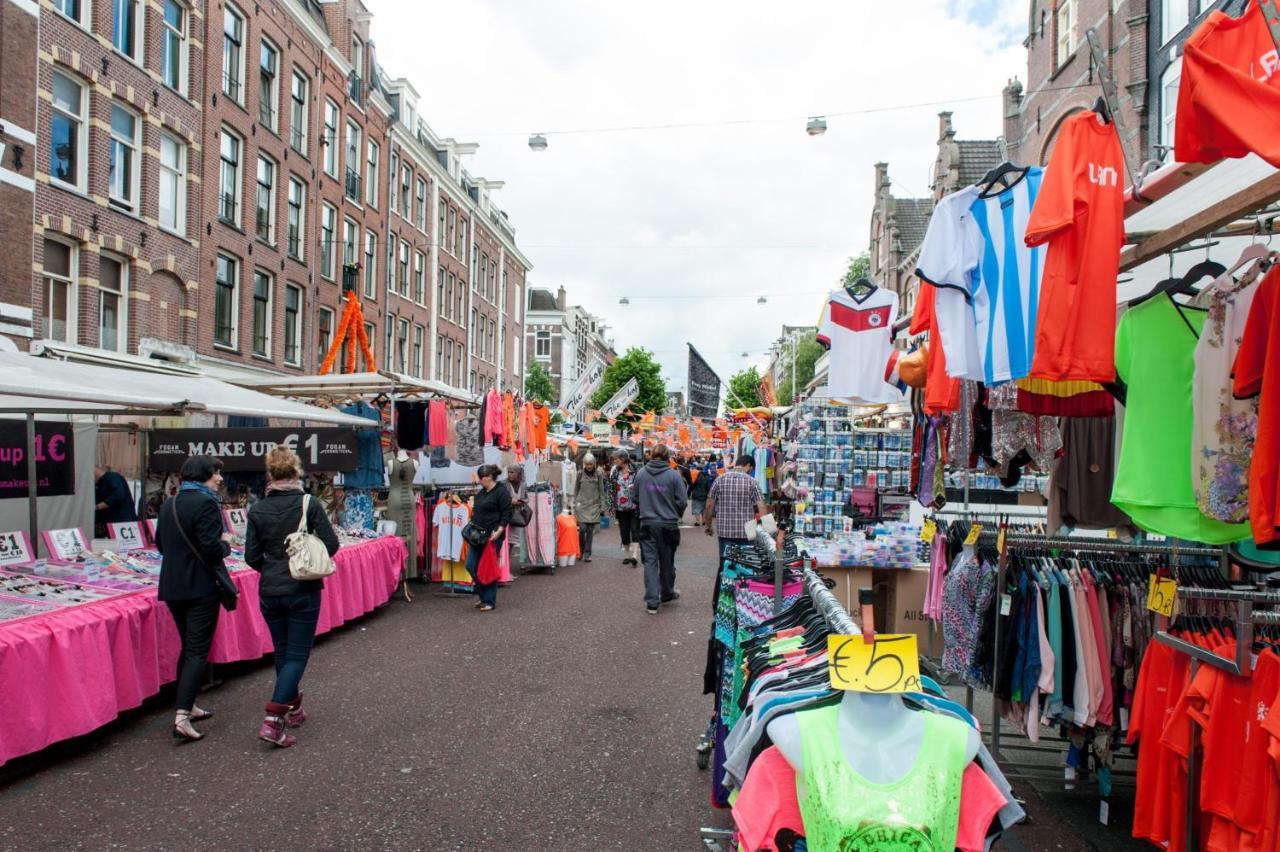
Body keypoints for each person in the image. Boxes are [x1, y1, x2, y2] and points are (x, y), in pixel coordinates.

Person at [244, 446, 340, 748]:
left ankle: (294, 708)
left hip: (270, 589)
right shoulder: (308, 504)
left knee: (284, 652)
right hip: (302, 588)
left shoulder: (257, 509)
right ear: (296, 472)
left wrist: (272, 567)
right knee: (297, 654)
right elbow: (332, 545)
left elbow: (250, 556)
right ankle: (274, 718)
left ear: (270, 474)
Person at [155, 455, 231, 742]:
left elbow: (161, 544)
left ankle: (187, 704)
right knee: (198, 650)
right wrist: (225, 547)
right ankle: (183, 715)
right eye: (215, 473)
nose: (219, 478)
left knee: (189, 647)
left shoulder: (169, 503)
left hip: (173, 585)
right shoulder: (206, 503)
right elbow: (211, 548)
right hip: (200, 585)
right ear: (203, 475)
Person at [635, 443, 688, 614]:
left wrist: (645, 506)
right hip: (668, 524)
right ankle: (666, 593)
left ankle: (652, 601)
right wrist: (676, 513)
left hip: (647, 523)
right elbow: (682, 501)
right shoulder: (673, 475)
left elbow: (634, 497)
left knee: (650, 563)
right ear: (667, 457)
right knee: (667, 562)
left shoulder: (641, 474)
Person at [467, 464, 512, 612]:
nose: (480, 481)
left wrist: (499, 531)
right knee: (471, 565)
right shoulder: (482, 493)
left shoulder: (501, 492)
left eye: (482, 478)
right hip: (477, 536)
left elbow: (507, 514)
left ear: (489, 477)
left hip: (492, 537)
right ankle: (482, 595)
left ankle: (489, 600)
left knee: (488, 567)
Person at [705, 454, 768, 559]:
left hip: (725, 531)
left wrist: (708, 525)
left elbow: (709, 504)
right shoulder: (752, 482)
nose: (750, 472)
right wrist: (769, 530)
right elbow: (761, 506)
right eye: (751, 469)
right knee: (746, 564)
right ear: (748, 465)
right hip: (747, 532)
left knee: (726, 564)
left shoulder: (719, 480)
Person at [608, 450, 640, 566]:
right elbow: (611, 489)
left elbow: (641, 486)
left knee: (635, 529)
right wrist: (611, 505)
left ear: (623, 459)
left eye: (617, 459)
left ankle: (635, 555)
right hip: (620, 508)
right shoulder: (615, 472)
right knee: (624, 531)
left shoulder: (636, 471)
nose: (615, 461)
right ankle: (626, 555)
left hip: (634, 506)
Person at [574, 453, 607, 562]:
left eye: (591, 464)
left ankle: (587, 554)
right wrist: (575, 502)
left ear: (594, 464)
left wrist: (602, 506)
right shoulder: (579, 473)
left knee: (589, 531)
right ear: (584, 464)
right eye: (587, 464)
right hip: (582, 505)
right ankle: (580, 551)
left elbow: (602, 491)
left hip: (594, 506)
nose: (589, 466)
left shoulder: (598, 474)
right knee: (582, 529)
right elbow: (576, 489)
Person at [94, 465, 137, 537]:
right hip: (114, 525)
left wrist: (97, 507)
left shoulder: (112, 477)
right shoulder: (100, 484)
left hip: (123, 522)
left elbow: (119, 495)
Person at [505, 463, 529, 568]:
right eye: (508, 472)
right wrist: (511, 501)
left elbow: (527, 497)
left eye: (512, 472)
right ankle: (504, 569)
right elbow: (501, 498)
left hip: (517, 516)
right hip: (506, 515)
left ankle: (507, 568)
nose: (509, 474)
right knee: (504, 543)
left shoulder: (523, 484)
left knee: (511, 543)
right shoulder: (504, 484)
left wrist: (522, 501)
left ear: (518, 473)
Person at [689, 459, 716, 526]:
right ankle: (703, 520)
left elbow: (691, 486)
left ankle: (697, 521)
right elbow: (708, 487)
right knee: (703, 509)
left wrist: (688, 493)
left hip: (696, 495)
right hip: (704, 495)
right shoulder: (706, 477)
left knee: (696, 509)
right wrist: (709, 495)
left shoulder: (694, 477)